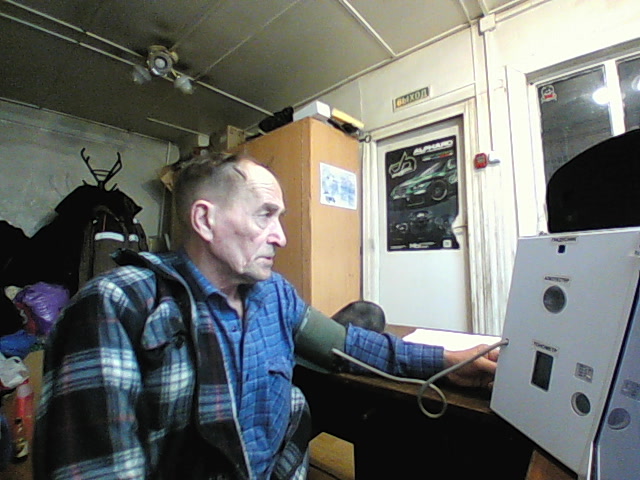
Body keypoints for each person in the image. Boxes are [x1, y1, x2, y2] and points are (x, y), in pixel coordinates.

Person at [34, 152, 499, 480]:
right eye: (265, 215)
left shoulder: (273, 293)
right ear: (205, 220)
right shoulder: (116, 305)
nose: (281, 237)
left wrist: (447, 362)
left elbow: (350, 345)